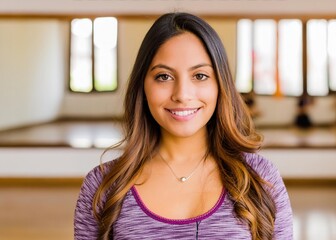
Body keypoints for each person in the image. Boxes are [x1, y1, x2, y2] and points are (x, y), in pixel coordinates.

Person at [74, 12, 293, 240]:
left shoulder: (260, 178)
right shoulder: (103, 186)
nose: (182, 95)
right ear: (143, 86)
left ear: (221, 85)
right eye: (164, 76)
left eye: (199, 75)